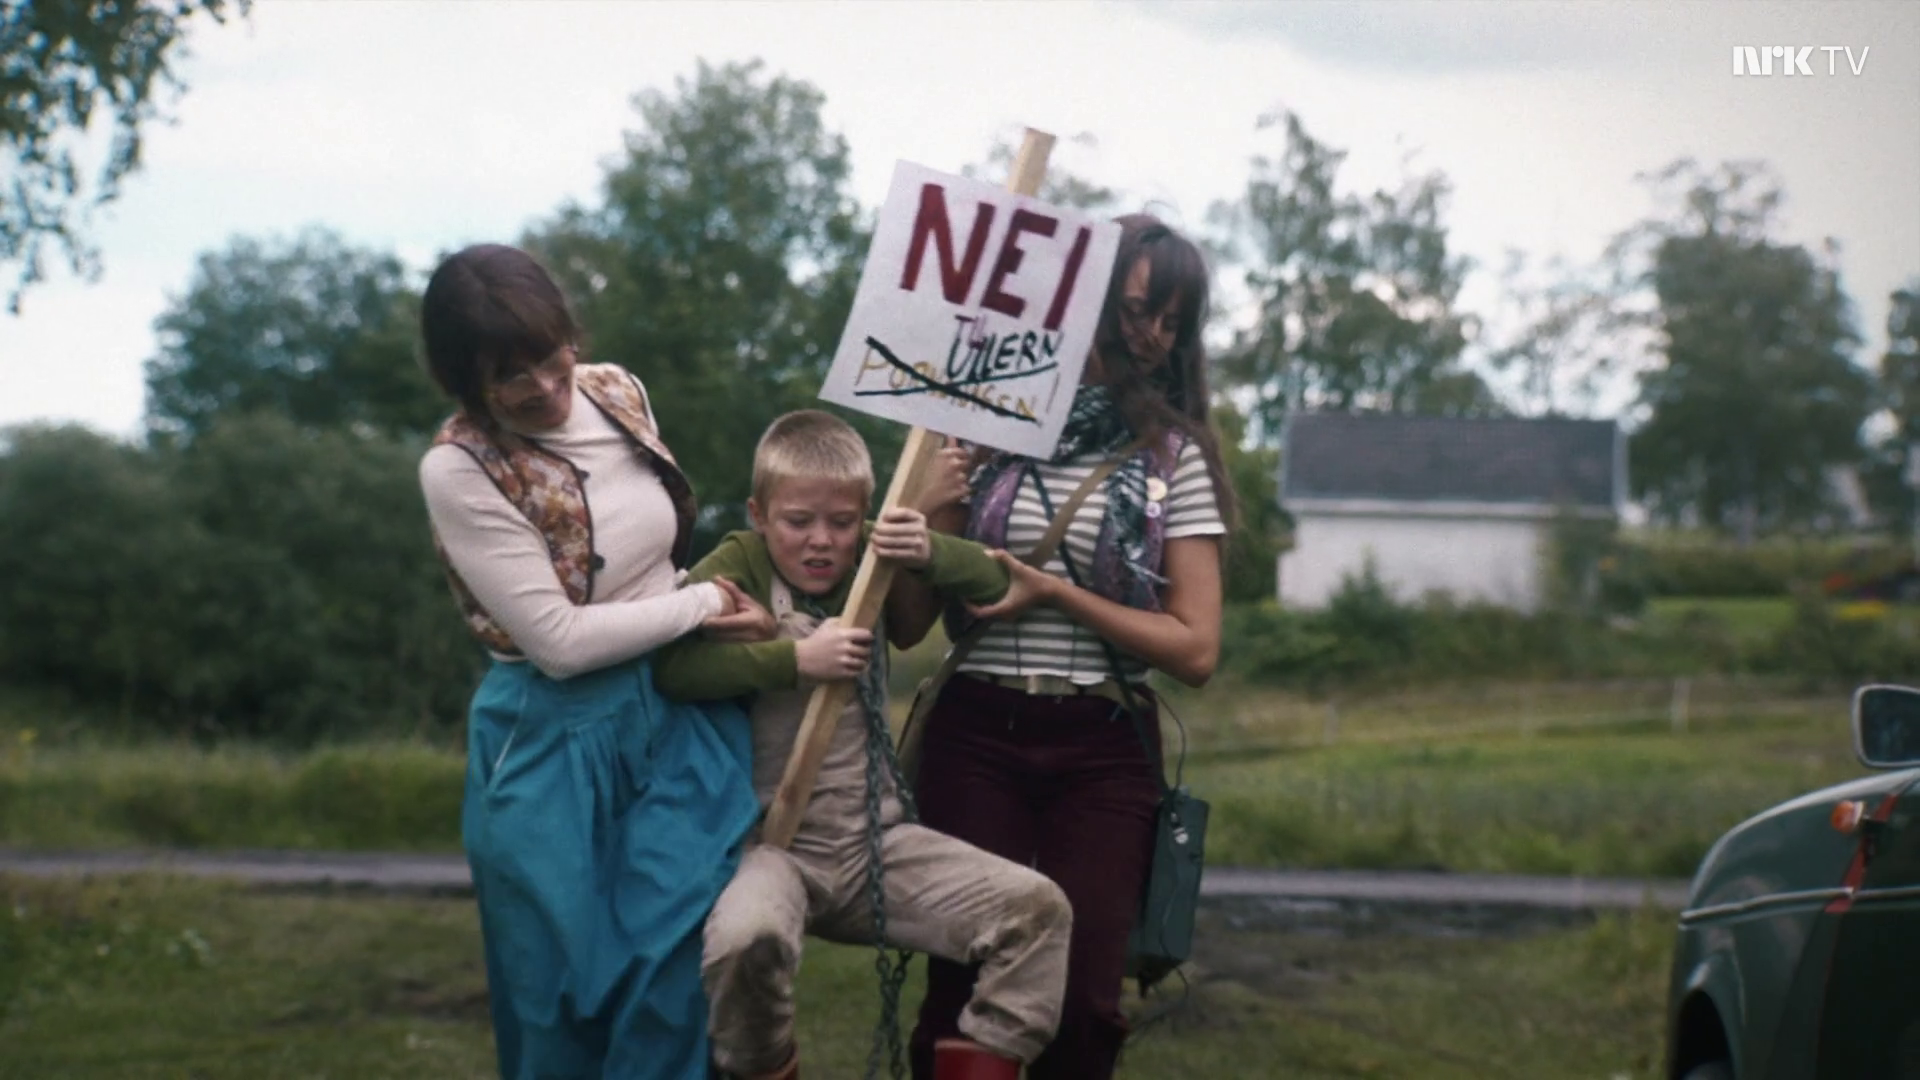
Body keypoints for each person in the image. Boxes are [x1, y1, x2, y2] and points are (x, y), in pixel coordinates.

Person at [416, 243, 767, 1080]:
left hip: (676, 706)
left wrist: (716, 608)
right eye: (509, 376)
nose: (544, 386)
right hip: (548, 742)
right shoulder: (459, 468)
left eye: (550, 355)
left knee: (671, 973)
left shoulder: (617, 392)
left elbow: (655, 556)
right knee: (560, 1004)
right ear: (463, 382)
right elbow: (561, 645)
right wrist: (706, 604)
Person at [899, 214, 1236, 1080]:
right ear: (1080, 299)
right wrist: (926, 506)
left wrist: (1056, 593)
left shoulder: (1173, 459)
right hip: (977, 731)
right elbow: (906, 622)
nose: (1151, 336)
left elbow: (1196, 649)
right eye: (1135, 309)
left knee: (1085, 1003)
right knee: (963, 982)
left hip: (1103, 745)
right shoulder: (983, 424)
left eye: (1172, 322)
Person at [652, 409, 1074, 1080]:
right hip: (771, 847)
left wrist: (927, 546)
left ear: (863, 518)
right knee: (744, 940)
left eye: (843, 523)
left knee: (1037, 909)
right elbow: (669, 670)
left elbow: (994, 583)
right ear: (759, 515)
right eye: (798, 522)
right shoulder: (740, 564)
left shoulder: (871, 560)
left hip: (875, 844)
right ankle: (763, 1065)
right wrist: (793, 659)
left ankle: (986, 1059)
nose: (821, 541)